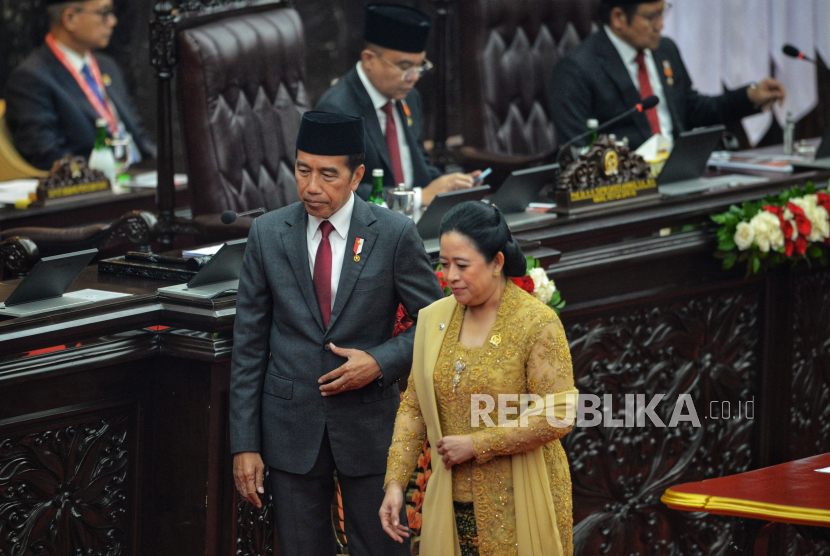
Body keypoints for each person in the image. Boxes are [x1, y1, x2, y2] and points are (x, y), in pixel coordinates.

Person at [230, 110, 444, 556]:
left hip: (367, 423)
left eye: (328, 175)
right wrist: (245, 444)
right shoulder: (267, 234)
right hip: (290, 427)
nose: (311, 186)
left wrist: (380, 361)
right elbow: (248, 347)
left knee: (382, 547)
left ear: (356, 175)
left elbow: (437, 323)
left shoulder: (393, 233)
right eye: (303, 170)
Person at [379, 202, 579, 556]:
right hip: (452, 495)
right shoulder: (435, 319)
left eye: (462, 265)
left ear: (497, 262)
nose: (450, 276)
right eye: (444, 265)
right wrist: (395, 482)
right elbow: (413, 408)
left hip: (522, 493)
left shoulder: (536, 322)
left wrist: (478, 444)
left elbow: (559, 411)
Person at [548, 0, 786, 151]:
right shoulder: (577, 69)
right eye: (652, 17)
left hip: (678, 176)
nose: (661, 25)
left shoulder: (665, 50)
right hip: (625, 191)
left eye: (663, 12)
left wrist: (749, 97)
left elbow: (693, 110)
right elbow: (576, 149)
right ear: (619, 18)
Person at [316, 3, 480, 207]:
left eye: (419, 67)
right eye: (404, 68)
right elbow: (336, 189)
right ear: (369, 60)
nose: (413, 78)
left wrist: (450, 185)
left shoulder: (410, 98)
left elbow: (417, 167)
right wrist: (417, 197)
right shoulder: (337, 110)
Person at [5, 0, 155, 170]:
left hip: (142, 170)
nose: (113, 21)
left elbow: (139, 134)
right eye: (104, 13)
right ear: (70, 18)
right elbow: (48, 154)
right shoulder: (31, 78)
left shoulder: (106, 66)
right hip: (97, 183)